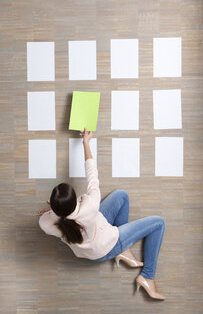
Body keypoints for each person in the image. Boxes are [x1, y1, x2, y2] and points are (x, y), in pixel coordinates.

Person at [38, 128, 166, 300]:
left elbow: (45, 219)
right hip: (106, 246)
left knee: (122, 195)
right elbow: (92, 174)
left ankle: (124, 251)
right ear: (74, 199)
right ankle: (147, 276)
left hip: (91, 240)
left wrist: (54, 211)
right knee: (159, 223)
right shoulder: (90, 205)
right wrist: (86, 143)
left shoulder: (49, 224)